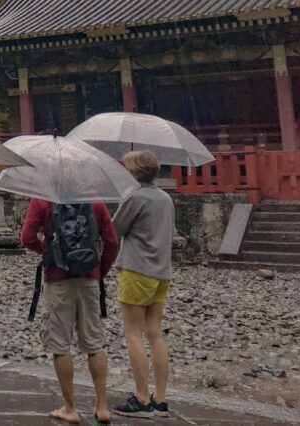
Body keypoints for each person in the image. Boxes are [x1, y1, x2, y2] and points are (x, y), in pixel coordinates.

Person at [21, 193, 118, 424]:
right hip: (89, 278)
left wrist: (47, 249)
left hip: (58, 278)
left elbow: (27, 237)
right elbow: (112, 242)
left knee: (61, 344)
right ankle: (102, 405)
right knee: (94, 342)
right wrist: (98, 269)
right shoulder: (94, 199)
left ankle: (71, 407)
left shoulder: (42, 199)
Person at [112, 150, 175, 419]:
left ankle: (141, 397)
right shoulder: (165, 198)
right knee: (155, 333)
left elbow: (115, 229)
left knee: (133, 333)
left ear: (133, 172)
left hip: (137, 269)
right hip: (162, 272)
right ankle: (160, 399)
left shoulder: (135, 197)